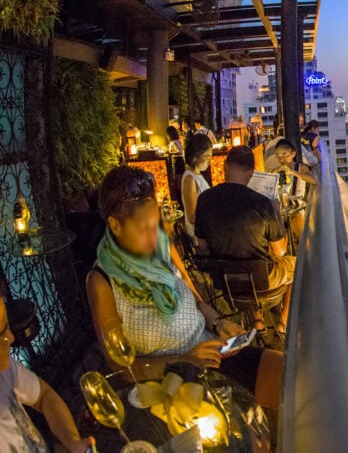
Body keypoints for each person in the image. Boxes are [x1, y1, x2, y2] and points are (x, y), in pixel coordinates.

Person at [86, 167, 283, 409]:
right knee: (249, 438)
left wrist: (218, 323)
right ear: (115, 225)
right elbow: (120, 367)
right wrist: (185, 360)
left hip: (210, 352)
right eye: (143, 227)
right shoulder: (101, 281)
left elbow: (196, 298)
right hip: (167, 381)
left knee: (285, 373)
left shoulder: (161, 247)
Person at [195, 146, 294, 334]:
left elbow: (202, 247)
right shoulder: (264, 204)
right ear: (252, 172)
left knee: (251, 253)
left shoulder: (205, 200)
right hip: (262, 282)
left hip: (224, 282)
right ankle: (283, 321)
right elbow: (279, 251)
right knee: (297, 265)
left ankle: (258, 319)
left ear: (225, 166)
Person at [0, 297, 94, 452]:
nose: (10, 337)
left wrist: (73, 442)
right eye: (1, 333)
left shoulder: (4, 368)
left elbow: (44, 396)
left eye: (6, 325)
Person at [181, 134, 212, 239]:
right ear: (194, 157)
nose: (209, 161)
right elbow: (192, 216)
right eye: (206, 157)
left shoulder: (197, 175)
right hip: (199, 238)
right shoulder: (190, 179)